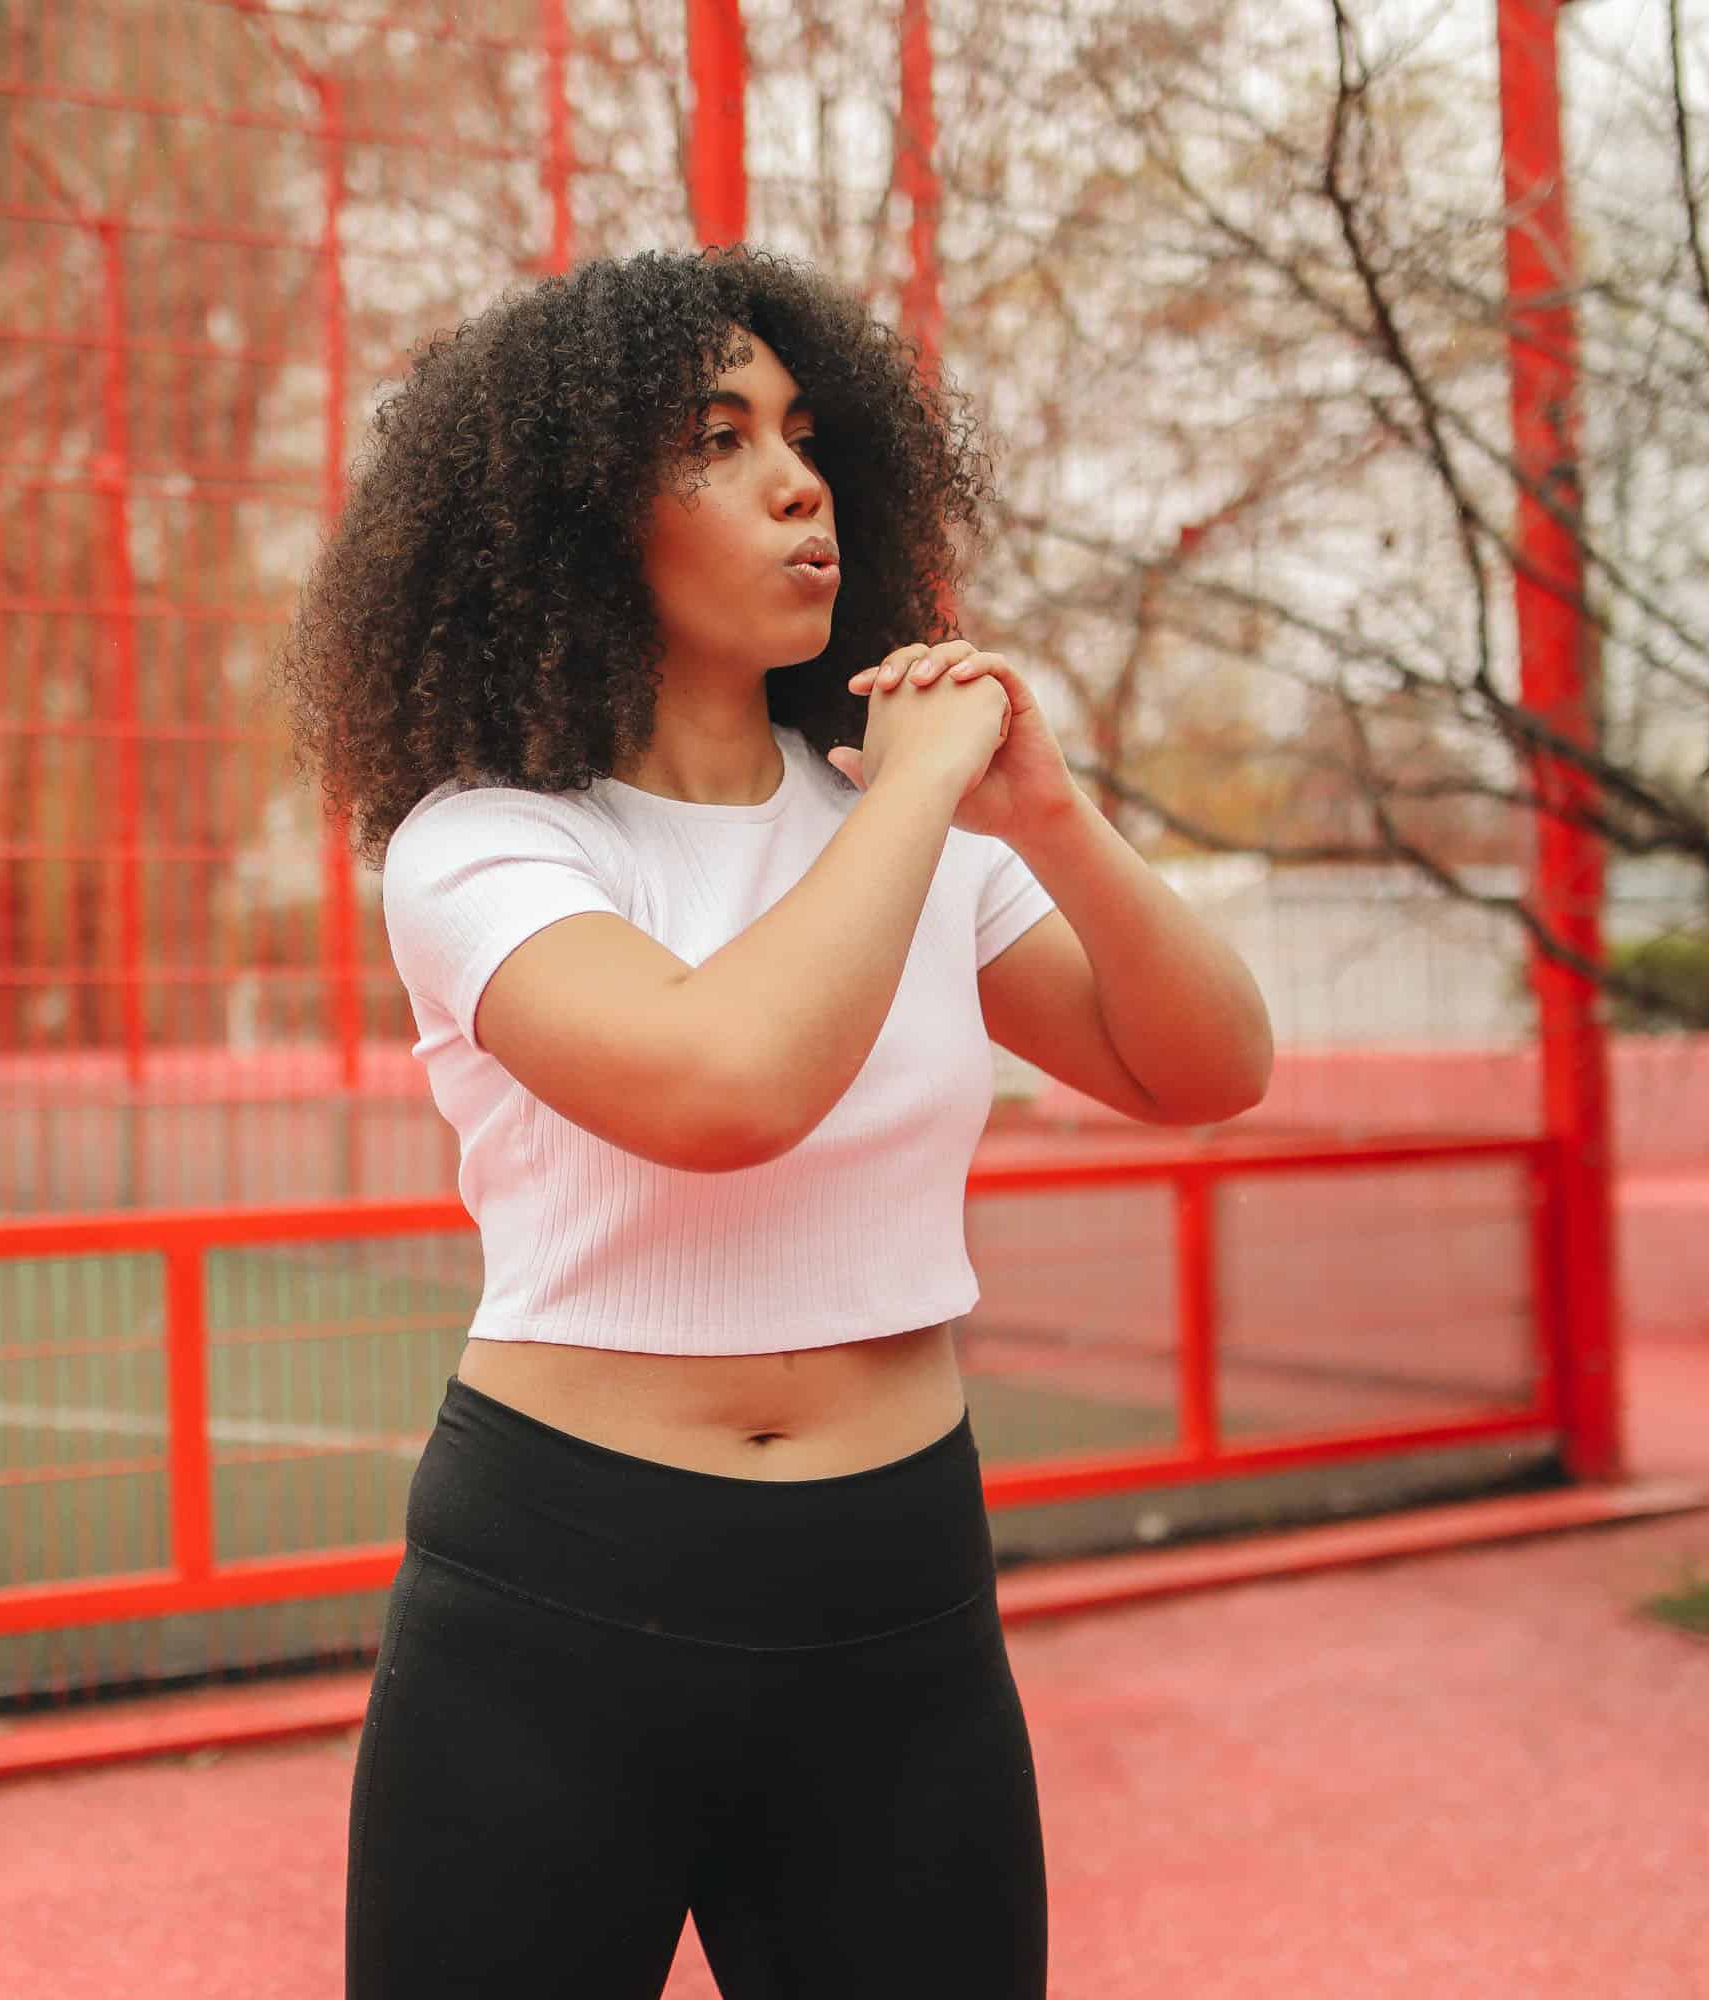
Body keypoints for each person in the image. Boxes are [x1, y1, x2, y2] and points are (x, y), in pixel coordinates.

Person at [278, 245, 1272, 1999]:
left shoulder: (914, 833)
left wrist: (1039, 814)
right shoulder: (484, 840)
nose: (798, 480)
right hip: (561, 1587)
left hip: (899, 1585)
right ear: (579, 514)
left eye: (806, 434)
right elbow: (724, 1086)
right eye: (718, 440)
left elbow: (1204, 1068)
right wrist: (909, 798)